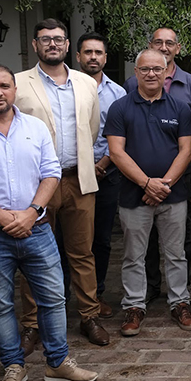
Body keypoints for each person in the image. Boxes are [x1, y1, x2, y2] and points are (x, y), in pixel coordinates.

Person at [0, 64, 97, 381]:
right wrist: (5, 219)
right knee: (0, 305)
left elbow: (51, 172)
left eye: (4, 86)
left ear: (15, 90)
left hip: (37, 230)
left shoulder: (35, 127)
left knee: (53, 299)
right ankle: (14, 366)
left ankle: (58, 362)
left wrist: (31, 213)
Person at [13, 19, 108, 350]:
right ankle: (31, 324)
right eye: (45, 39)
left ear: (68, 45)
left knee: (82, 253)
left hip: (78, 179)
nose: (52, 44)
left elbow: (92, 129)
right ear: (35, 45)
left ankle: (89, 316)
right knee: (34, 255)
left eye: (58, 39)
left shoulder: (85, 83)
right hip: (37, 184)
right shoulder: (17, 83)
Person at [105, 48, 191, 336]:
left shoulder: (180, 108)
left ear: (166, 71)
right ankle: (134, 306)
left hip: (173, 195)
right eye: (145, 69)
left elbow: (186, 151)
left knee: (176, 253)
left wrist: (163, 185)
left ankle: (180, 303)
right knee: (134, 255)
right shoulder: (120, 108)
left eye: (157, 69)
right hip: (134, 195)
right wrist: (147, 183)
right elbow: (116, 152)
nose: (151, 74)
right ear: (136, 73)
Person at [124, 27, 191, 304]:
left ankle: (180, 296)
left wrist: (164, 184)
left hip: (177, 183)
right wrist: (147, 184)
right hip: (137, 185)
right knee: (140, 248)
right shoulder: (128, 91)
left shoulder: (190, 87)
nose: (164, 47)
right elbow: (121, 143)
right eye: (158, 42)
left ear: (177, 49)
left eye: (170, 43)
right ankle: (145, 292)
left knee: (179, 244)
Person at [76, 32, 125, 320]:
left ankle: (97, 294)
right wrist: (83, 165)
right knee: (68, 239)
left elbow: (121, 135)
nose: (93, 57)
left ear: (105, 58)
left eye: (98, 52)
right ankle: (65, 296)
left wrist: (102, 164)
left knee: (102, 239)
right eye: (88, 52)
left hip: (107, 174)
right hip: (71, 176)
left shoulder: (118, 93)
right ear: (78, 56)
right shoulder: (67, 88)